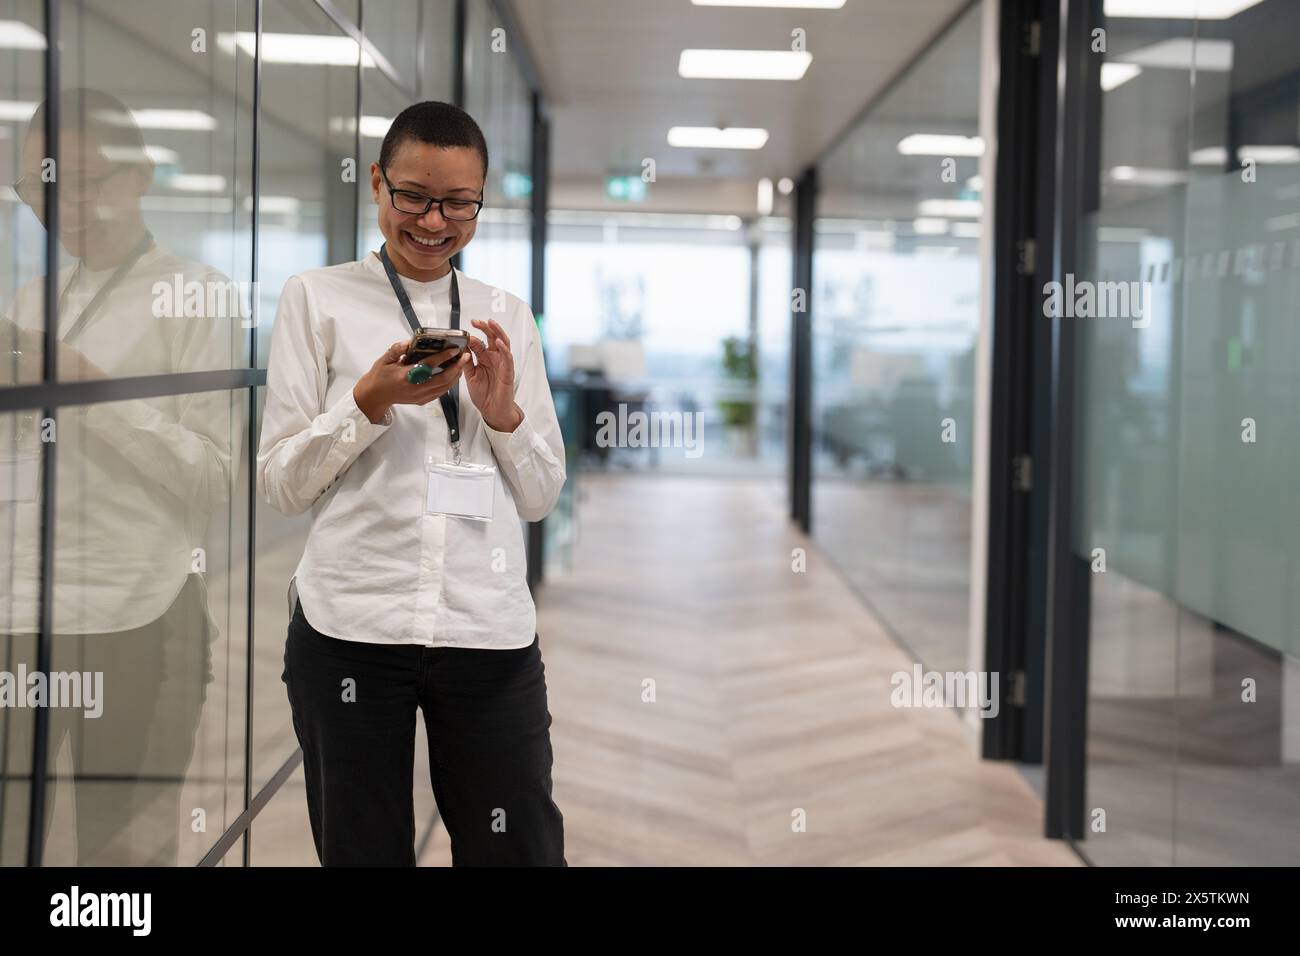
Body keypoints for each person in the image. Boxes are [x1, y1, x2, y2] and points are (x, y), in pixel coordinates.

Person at [256, 101, 567, 866]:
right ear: (376, 184)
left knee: (519, 851)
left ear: (481, 199)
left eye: (459, 202)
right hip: (353, 626)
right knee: (363, 852)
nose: (434, 222)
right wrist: (366, 403)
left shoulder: (505, 315)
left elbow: (539, 498)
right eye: (414, 196)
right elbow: (281, 485)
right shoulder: (316, 298)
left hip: (485, 628)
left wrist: (503, 415)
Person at [0, 88, 236, 864]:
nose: (62, 207)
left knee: (118, 858)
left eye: (83, 183)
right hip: (19, 614)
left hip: (137, 614)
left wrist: (88, 388)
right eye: (39, 187)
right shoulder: (31, 298)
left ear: (138, 176)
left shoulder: (195, 294)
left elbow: (213, 476)